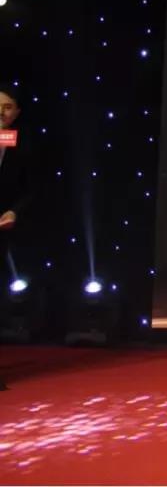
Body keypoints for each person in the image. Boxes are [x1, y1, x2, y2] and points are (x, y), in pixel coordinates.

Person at [0, 83, 34, 392]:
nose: (1, 112)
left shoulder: (22, 145)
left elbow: (30, 188)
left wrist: (14, 211)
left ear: (16, 113)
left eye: (7, 107)